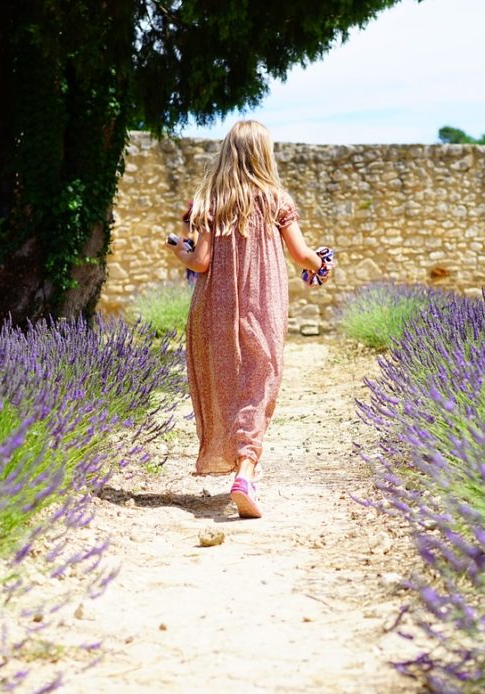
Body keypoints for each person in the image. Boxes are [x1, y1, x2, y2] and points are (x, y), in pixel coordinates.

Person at [164, 120, 333, 519]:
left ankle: (236, 459)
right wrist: (323, 264)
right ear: (263, 153)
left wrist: (179, 252)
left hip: (214, 306)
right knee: (259, 381)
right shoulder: (277, 199)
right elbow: (301, 255)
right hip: (264, 302)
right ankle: (245, 470)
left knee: (225, 381)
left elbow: (201, 261)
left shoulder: (210, 199)